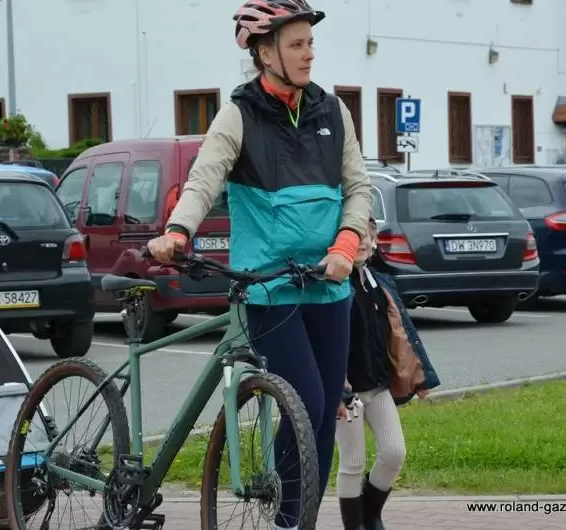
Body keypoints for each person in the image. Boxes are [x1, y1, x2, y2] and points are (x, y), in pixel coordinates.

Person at [146, 1, 372, 527]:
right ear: (265, 53)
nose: (309, 54)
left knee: (324, 415)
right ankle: (289, 521)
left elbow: (358, 187)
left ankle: (296, 521)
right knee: (305, 401)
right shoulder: (238, 114)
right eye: (296, 45)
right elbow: (205, 178)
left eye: (310, 43)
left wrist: (346, 242)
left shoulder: (333, 112)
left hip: (329, 283)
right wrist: (178, 230)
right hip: (269, 288)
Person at [335, 218, 440, 530]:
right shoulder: (333, 288)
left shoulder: (380, 284)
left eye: (366, 237)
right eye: (355, 238)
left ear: (374, 242)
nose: (361, 244)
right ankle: (355, 525)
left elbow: (402, 333)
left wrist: (420, 377)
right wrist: (336, 384)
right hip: (346, 391)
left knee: (394, 452)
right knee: (353, 461)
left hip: (377, 385)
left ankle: (370, 514)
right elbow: (326, 342)